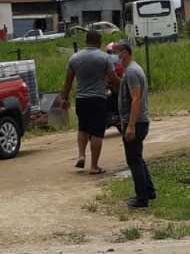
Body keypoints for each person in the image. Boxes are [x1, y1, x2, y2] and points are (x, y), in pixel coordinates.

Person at [59, 30, 116, 174]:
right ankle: (94, 166)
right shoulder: (105, 58)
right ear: (98, 41)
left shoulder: (74, 58)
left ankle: (81, 155)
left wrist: (64, 98)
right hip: (98, 99)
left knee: (83, 128)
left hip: (81, 99)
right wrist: (123, 87)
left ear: (86, 41)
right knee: (97, 132)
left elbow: (68, 82)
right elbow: (113, 78)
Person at [116, 41, 155, 208]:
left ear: (125, 52)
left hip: (136, 122)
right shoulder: (132, 70)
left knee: (133, 160)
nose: (115, 56)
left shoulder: (132, 71)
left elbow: (136, 98)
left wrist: (130, 125)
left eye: (117, 52)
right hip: (138, 121)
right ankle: (149, 191)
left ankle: (141, 199)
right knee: (137, 157)